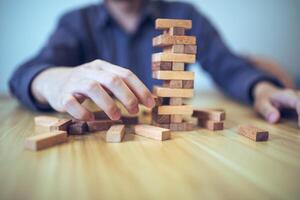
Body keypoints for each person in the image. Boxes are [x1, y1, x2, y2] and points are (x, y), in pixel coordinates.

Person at [9, 0, 300, 127]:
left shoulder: (186, 14)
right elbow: (25, 73)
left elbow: (228, 65)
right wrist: (51, 80)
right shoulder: (75, 22)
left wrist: (262, 89)